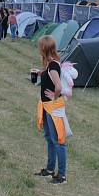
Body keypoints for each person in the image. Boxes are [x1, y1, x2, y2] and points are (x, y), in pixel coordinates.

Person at [31, 35, 69, 185]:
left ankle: (62, 175)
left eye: (40, 46)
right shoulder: (49, 64)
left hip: (53, 108)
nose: (38, 48)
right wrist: (41, 73)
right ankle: (50, 168)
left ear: (44, 48)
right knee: (50, 139)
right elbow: (50, 77)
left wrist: (55, 95)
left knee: (58, 141)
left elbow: (58, 86)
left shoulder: (53, 65)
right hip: (46, 107)